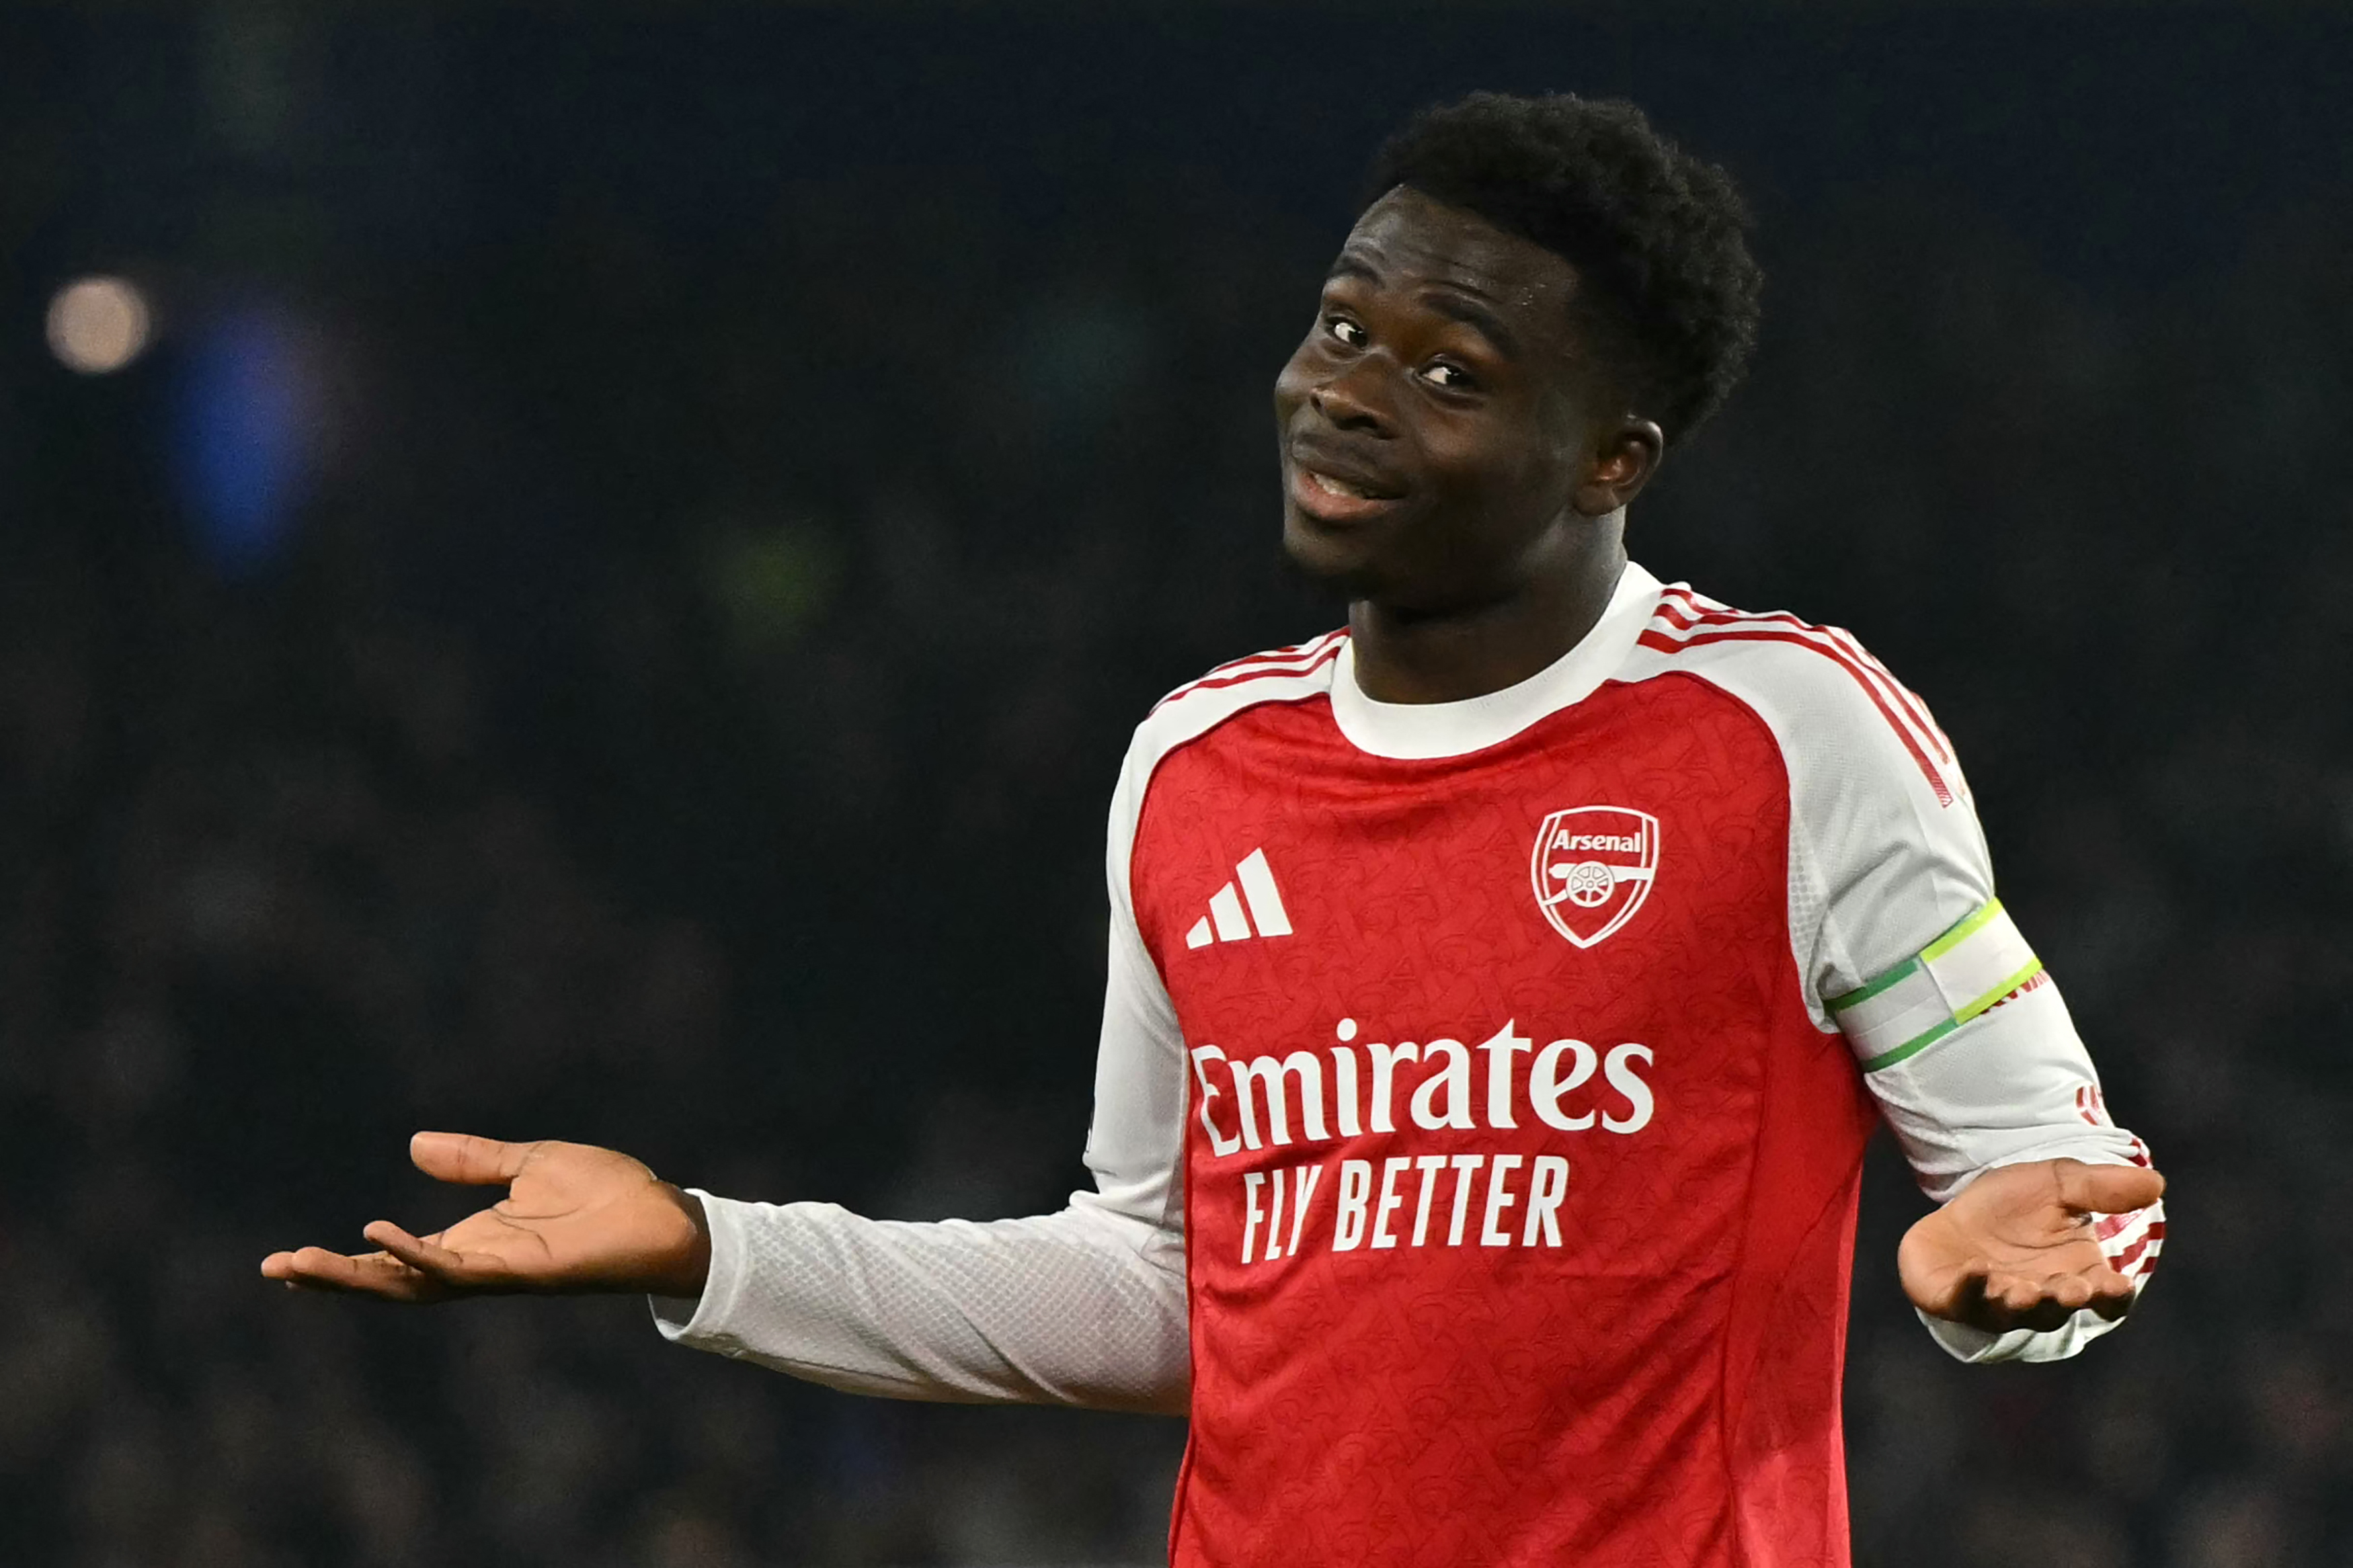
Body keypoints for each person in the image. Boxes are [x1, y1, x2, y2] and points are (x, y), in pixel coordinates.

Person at [264, 92, 2166, 1565]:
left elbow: (2059, 1197)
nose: (1345, 394)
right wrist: (704, 1248)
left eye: (1451, 372)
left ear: (1612, 457)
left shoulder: (1783, 730)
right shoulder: (1195, 767)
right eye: (1342, 326)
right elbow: (1167, 1290)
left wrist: (2012, 1296)